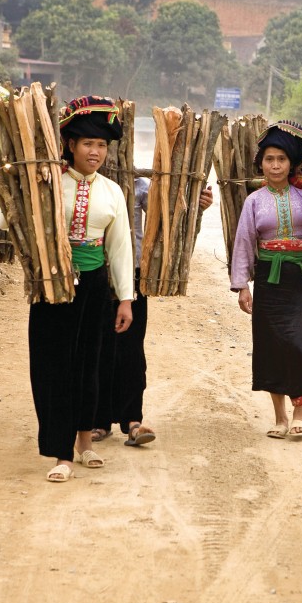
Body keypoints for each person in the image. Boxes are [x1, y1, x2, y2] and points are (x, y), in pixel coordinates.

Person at [12, 95, 134, 483]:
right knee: (53, 366)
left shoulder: (112, 192)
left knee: (89, 364)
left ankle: (85, 443)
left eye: (101, 145)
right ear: (69, 145)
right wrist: (24, 185)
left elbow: (120, 247)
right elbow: (5, 218)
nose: (95, 152)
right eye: (87, 144)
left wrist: (125, 298)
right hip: (52, 284)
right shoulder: (49, 182)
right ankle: (60, 452)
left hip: (95, 286)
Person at [90, 179, 213, 448]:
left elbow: (170, 215)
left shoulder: (138, 185)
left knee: (131, 349)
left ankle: (132, 420)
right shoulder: (86, 185)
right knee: (95, 347)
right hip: (90, 273)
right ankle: (96, 419)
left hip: (132, 275)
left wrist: (197, 207)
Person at [230, 120, 302, 439]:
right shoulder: (254, 201)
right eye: (269, 159)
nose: (276, 165)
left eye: (281, 159)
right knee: (271, 346)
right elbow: (243, 243)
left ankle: (300, 409)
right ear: (261, 164)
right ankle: (280, 417)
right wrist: (242, 286)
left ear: (290, 163)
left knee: (296, 343)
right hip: (269, 278)